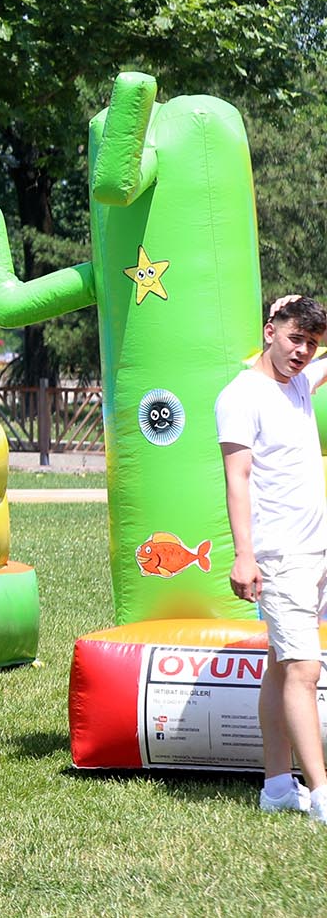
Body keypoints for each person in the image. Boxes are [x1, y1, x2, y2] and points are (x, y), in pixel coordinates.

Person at [217, 293, 327, 820]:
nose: (303, 351)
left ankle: (278, 788)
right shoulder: (242, 396)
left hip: (317, 553)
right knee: (303, 670)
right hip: (280, 556)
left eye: (311, 343)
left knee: (281, 670)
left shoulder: (300, 381)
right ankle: (322, 794)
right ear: (269, 330)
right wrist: (245, 557)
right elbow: (236, 479)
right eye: (294, 337)